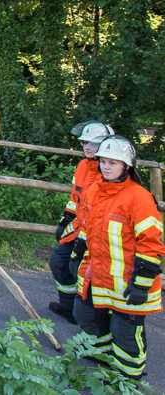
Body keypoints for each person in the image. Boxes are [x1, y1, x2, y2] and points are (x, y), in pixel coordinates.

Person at [69, 135, 164, 380]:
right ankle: (104, 355)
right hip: (98, 276)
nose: (106, 167)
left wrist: (141, 285)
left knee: (125, 332)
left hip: (128, 283)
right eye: (103, 161)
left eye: (113, 162)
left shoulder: (139, 198)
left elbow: (151, 245)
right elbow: (87, 228)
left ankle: (129, 377)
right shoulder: (95, 190)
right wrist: (77, 255)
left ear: (127, 166)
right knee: (84, 314)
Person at [48, 121, 114, 323]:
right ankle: (68, 307)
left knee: (89, 275)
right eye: (84, 142)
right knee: (60, 261)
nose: (86, 147)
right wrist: (65, 221)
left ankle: (92, 319)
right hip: (79, 230)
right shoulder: (83, 166)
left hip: (100, 236)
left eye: (91, 143)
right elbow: (75, 199)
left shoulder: (111, 171)